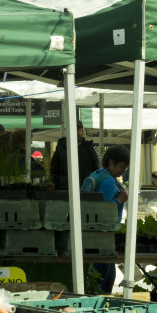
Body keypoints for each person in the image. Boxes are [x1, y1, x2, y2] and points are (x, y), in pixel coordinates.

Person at [81, 144, 130, 294]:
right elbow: (104, 211)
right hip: (103, 234)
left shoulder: (97, 174)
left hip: (90, 231)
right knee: (104, 279)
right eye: (121, 166)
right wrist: (120, 200)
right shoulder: (108, 182)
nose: (123, 171)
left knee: (101, 273)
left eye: (125, 168)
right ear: (111, 162)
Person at [50, 121, 99, 190]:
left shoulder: (89, 148)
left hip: (85, 190)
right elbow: (54, 170)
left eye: (78, 130)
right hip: (65, 190)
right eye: (73, 129)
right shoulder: (61, 148)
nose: (76, 133)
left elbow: (95, 170)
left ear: (82, 131)